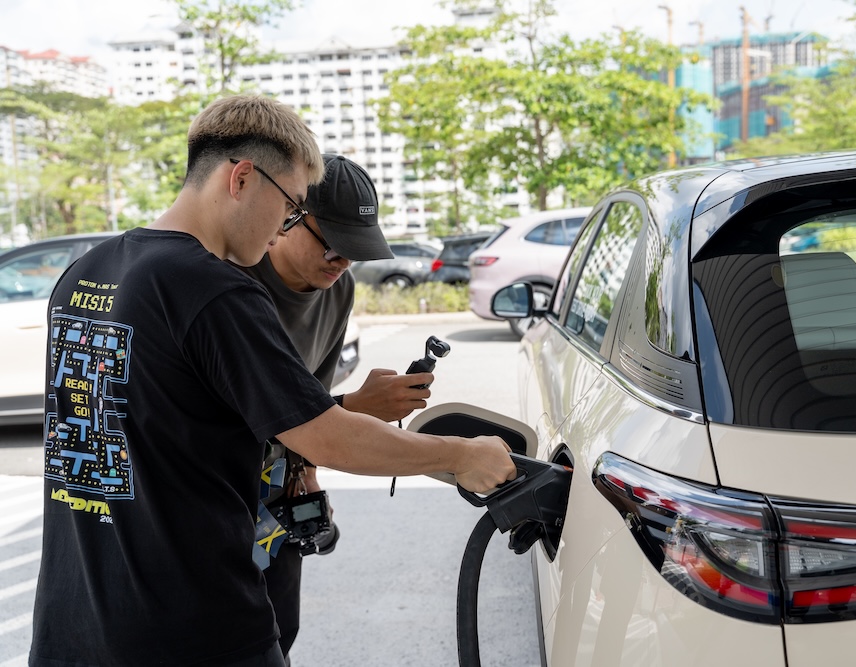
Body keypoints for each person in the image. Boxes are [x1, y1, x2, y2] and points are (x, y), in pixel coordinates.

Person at [29, 94, 516, 667]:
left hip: (70, 625)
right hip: (190, 629)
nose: (282, 226)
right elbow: (327, 435)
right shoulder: (214, 289)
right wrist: (462, 454)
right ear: (241, 178)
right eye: (289, 206)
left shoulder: (86, 272)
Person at [242, 153, 432, 664]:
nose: (341, 262)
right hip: (217, 499)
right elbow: (228, 419)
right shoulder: (234, 287)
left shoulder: (338, 290)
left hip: (277, 491)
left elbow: (308, 393)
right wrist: (355, 407)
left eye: (355, 251)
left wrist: (307, 471)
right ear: (287, 216)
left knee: (282, 631)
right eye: (331, 245)